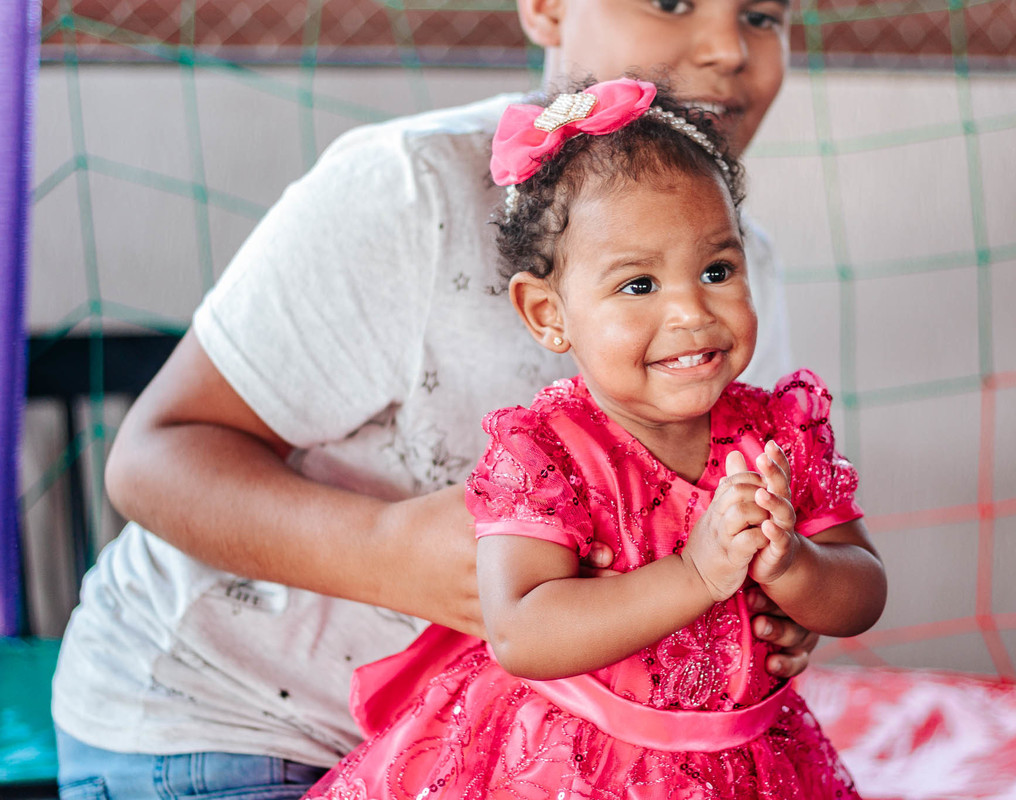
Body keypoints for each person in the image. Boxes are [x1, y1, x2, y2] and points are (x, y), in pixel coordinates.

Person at [52, 2, 821, 798]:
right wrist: (388, 549)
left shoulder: (736, 273)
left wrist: (765, 595)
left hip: (510, 744)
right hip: (231, 719)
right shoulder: (413, 189)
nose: (730, 47)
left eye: (764, 14)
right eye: (671, 1)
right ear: (546, 8)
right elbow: (150, 462)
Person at [301, 78, 886, 800]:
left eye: (716, 270)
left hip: (749, 762)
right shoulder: (545, 455)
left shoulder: (776, 433)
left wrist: (795, 566)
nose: (692, 313)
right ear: (548, 314)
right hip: (571, 766)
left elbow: (863, 588)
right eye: (639, 286)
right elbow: (522, 633)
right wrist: (698, 575)